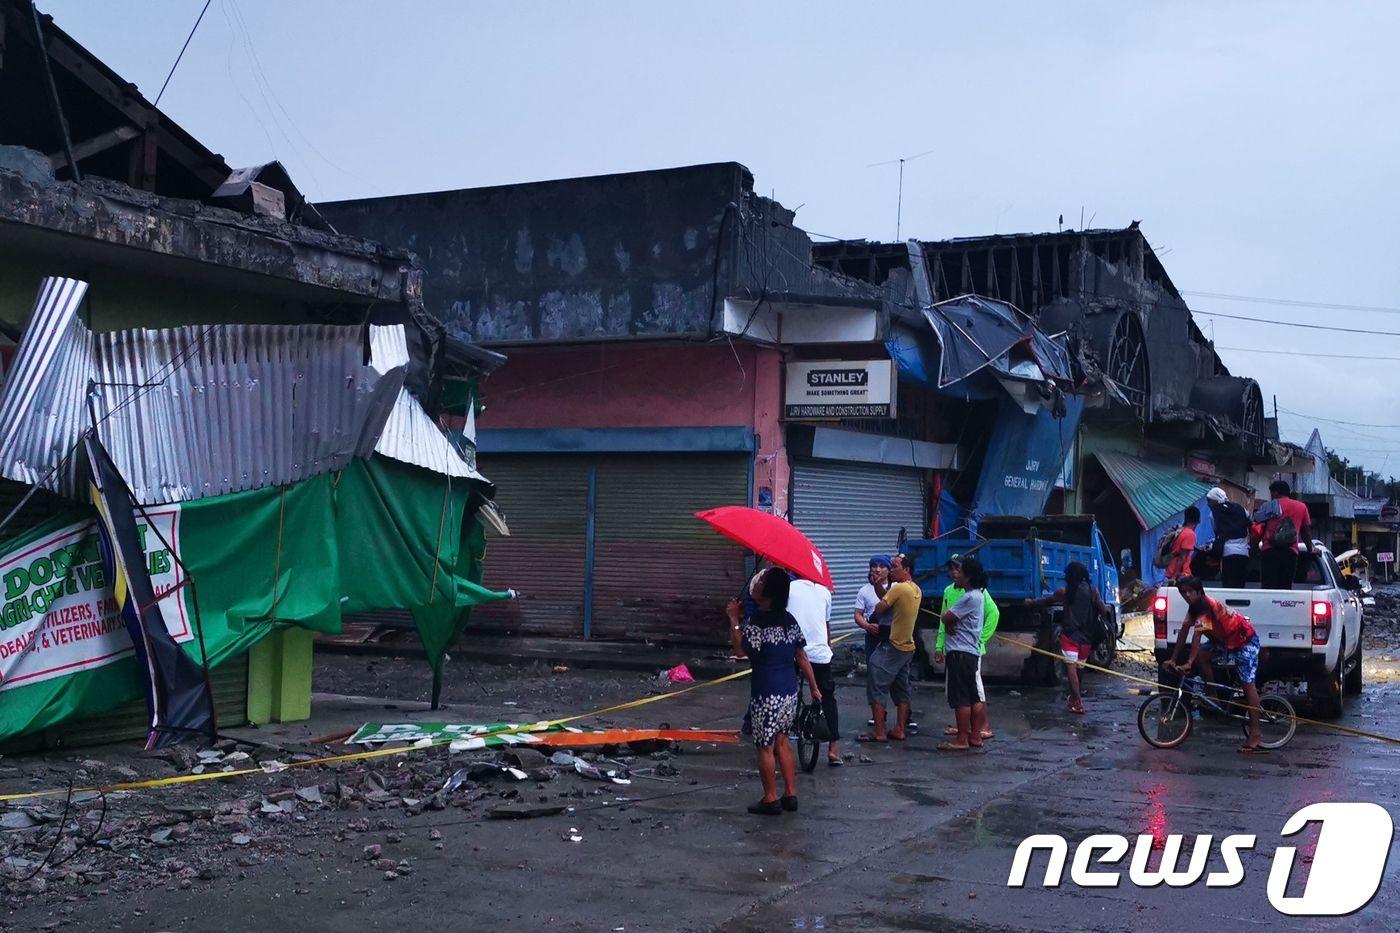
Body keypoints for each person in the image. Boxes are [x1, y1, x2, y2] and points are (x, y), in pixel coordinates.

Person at [726, 567, 822, 814]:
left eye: (763, 581)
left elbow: (740, 651)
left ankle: (770, 798)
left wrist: (734, 620)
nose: (757, 584)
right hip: (789, 690)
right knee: (782, 743)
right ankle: (790, 794)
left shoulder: (758, 622)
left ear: (767, 592)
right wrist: (814, 687)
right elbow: (801, 655)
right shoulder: (789, 620)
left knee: (765, 746)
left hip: (766, 692)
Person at [1163, 575, 1264, 753]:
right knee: (1203, 654)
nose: (1185, 595)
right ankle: (1213, 694)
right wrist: (1173, 658)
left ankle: (1255, 734)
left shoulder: (1205, 607)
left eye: (1189, 592)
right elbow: (1184, 631)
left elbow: (1197, 635)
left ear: (1199, 592)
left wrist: (1188, 662)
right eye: (1182, 592)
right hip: (1225, 642)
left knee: (1248, 686)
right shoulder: (1194, 607)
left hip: (1244, 641)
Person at [1026, 561, 1106, 715]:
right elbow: (1102, 609)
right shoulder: (1093, 590)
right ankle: (1074, 699)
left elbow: (1046, 601)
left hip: (1070, 635)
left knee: (1070, 668)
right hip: (1087, 637)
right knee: (1079, 668)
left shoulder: (1066, 591)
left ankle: (1078, 701)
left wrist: (1031, 603)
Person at [858, 553, 921, 742]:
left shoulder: (899, 588)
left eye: (894, 567)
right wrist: (878, 584)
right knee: (901, 689)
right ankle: (900, 728)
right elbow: (886, 597)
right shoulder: (914, 588)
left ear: (906, 570)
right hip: (906, 646)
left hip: (891, 645)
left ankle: (878, 731)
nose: (890, 570)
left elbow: (879, 608)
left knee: (876, 684)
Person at [935, 554, 999, 740]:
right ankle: (970, 731)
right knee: (963, 693)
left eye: (959, 569)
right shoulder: (950, 591)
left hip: (966, 651)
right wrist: (940, 646)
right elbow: (944, 619)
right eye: (952, 569)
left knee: (969, 694)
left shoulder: (974, 595)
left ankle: (978, 730)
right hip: (956, 648)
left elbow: (993, 614)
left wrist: (981, 639)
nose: (955, 573)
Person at [788, 574, 842, 766]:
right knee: (827, 696)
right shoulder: (825, 592)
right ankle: (833, 748)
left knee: (785, 690)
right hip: (820, 654)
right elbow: (826, 625)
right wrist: (828, 648)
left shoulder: (789, 588)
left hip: (793, 652)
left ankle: (779, 740)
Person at [1253, 480, 1313, 590]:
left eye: (1271, 493)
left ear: (1275, 493)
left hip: (1269, 550)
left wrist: (1254, 546)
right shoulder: (1301, 507)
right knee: (1285, 586)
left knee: (1268, 586)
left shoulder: (1268, 506)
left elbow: (1258, 527)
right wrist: (1310, 549)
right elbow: (1306, 532)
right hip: (1290, 552)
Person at [1207, 487, 1251, 587]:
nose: (1208, 504)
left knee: (1228, 586)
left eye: (1209, 501)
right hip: (1244, 552)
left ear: (1216, 500)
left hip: (1228, 553)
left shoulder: (1213, 514)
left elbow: (1217, 531)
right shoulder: (1240, 508)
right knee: (1240, 585)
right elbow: (1248, 520)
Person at [1165, 506, 1200, 582]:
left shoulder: (1180, 531)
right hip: (1181, 574)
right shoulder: (1190, 534)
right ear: (1198, 520)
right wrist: (1174, 577)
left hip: (1171, 569)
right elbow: (1182, 557)